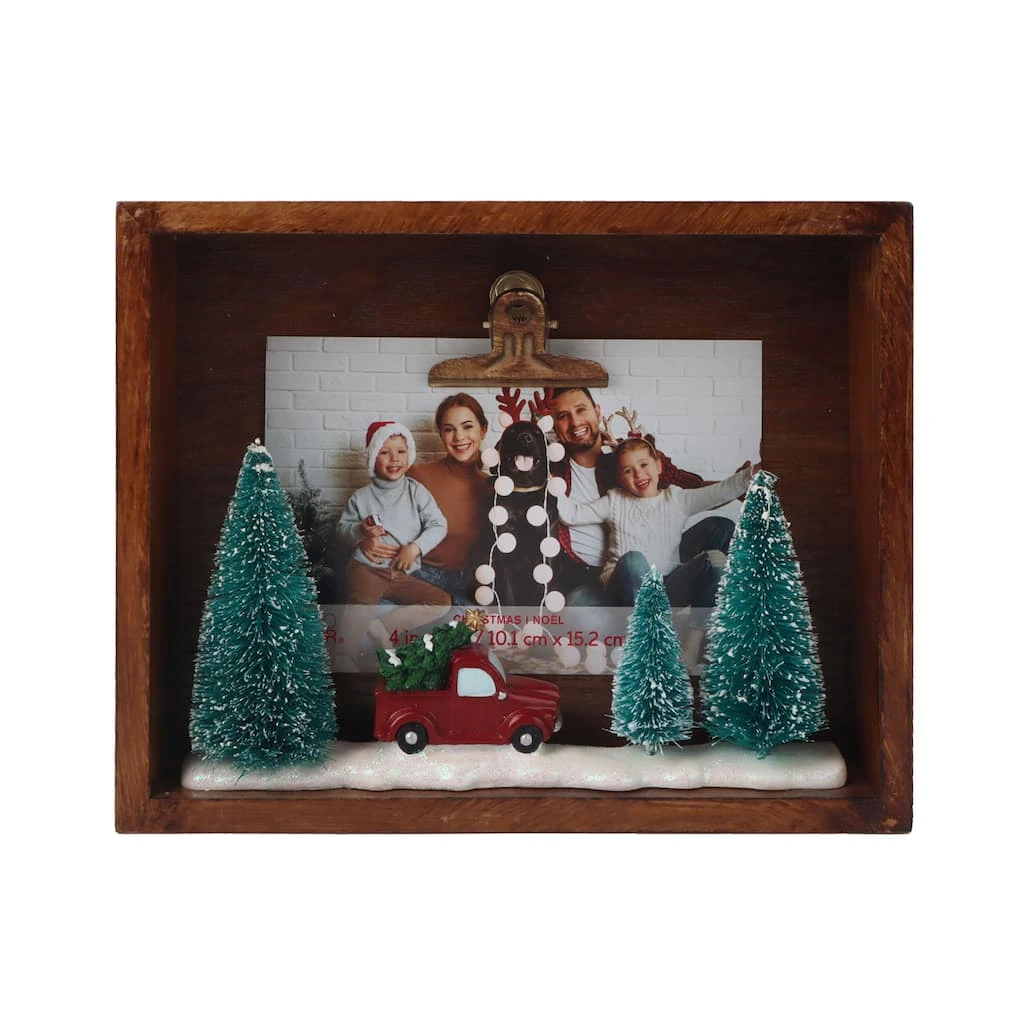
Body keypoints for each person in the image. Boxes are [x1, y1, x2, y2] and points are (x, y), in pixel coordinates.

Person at [547, 386, 739, 606]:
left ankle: (725, 610)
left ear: (597, 411)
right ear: (553, 425)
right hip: (604, 575)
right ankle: (647, 615)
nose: (575, 422)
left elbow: (696, 490)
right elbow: (568, 512)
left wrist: (740, 487)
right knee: (579, 605)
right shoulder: (551, 468)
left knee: (721, 528)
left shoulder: (630, 454)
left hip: (661, 556)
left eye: (581, 410)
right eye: (563, 416)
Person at [556, 437, 757, 607]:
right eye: (628, 471)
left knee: (714, 560)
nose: (638, 474)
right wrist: (550, 482)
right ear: (620, 478)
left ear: (659, 466)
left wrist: (752, 474)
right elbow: (572, 514)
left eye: (644, 465)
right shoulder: (614, 500)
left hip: (666, 588)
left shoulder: (676, 499)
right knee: (633, 560)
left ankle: (697, 635)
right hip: (623, 585)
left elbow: (719, 492)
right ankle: (647, 632)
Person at [336, 421, 452, 656]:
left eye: (401, 451)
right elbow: (341, 531)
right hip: (367, 569)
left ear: (409, 455)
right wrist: (361, 533)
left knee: (441, 601)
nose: (394, 458)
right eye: (385, 452)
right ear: (372, 459)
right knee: (359, 607)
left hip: (400, 573)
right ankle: (343, 656)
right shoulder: (361, 497)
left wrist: (415, 548)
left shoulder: (416, 492)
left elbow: (439, 524)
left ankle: (384, 626)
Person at [406, 393, 494, 604]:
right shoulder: (418, 475)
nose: (459, 437)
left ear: (483, 430)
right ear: (441, 434)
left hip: (470, 585)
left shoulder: (494, 487)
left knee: (480, 623)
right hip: (421, 579)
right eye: (449, 429)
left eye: (467, 426)